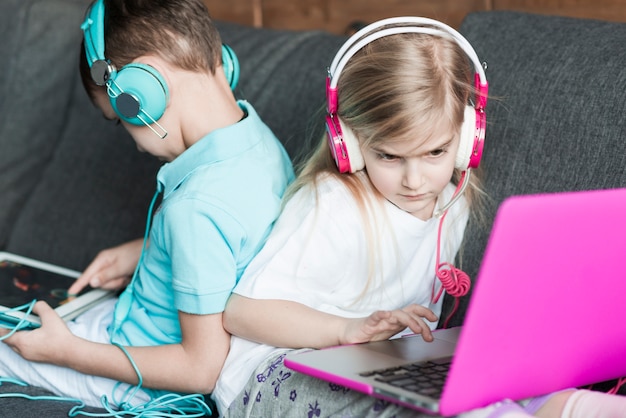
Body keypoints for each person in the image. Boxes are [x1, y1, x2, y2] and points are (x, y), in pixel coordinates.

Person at [212, 17, 626, 418]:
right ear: (350, 146)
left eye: (435, 153)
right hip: (273, 375)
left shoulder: (452, 201)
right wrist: (346, 330)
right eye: (389, 156)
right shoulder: (333, 203)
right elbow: (242, 314)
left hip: (378, 363)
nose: (415, 181)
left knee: (515, 391)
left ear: (467, 140)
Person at [0, 0, 294, 414]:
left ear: (142, 92)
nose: (134, 141)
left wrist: (67, 352)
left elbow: (200, 368)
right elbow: (233, 241)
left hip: (139, 379)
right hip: (129, 329)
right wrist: (148, 249)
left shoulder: (194, 208)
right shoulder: (260, 142)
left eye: (121, 118)